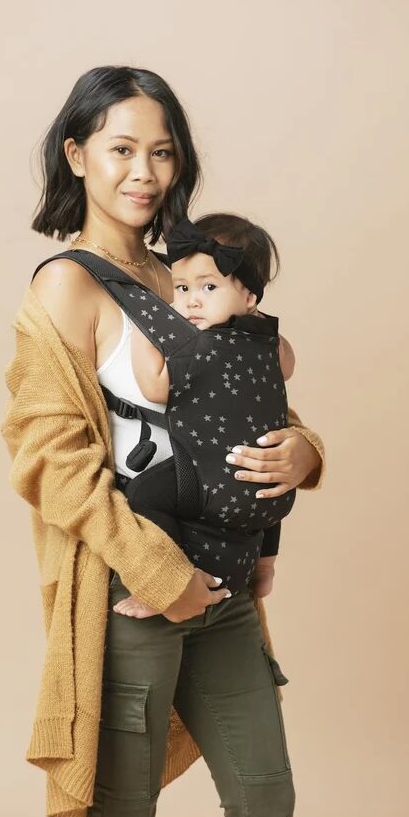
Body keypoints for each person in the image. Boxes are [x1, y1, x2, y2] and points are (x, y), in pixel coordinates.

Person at [1, 65, 325, 817]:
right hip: (134, 593)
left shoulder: (189, 272)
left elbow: (260, 396)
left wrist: (304, 452)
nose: (143, 172)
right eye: (120, 149)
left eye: (162, 152)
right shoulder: (64, 286)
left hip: (221, 582)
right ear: (76, 156)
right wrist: (159, 575)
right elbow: (50, 461)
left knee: (264, 801)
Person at [118, 212, 296, 612]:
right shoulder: (269, 340)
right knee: (268, 482)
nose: (191, 300)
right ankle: (264, 564)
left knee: (145, 495)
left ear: (249, 295)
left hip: (214, 481)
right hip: (270, 487)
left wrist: (141, 336)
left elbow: (155, 386)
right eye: (181, 288)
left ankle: (164, 582)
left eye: (209, 287)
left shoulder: (202, 346)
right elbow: (287, 366)